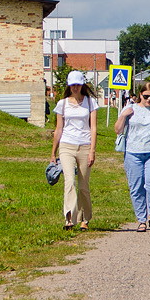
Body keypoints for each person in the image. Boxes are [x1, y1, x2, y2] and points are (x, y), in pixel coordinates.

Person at [116, 81, 150, 232]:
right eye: (146, 96)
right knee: (137, 187)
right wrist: (123, 116)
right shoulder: (130, 108)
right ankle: (141, 220)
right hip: (133, 152)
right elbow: (117, 129)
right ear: (140, 95)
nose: (149, 99)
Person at [49, 71, 98, 231]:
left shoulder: (90, 103)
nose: (76, 88)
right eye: (73, 85)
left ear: (82, 85)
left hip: (84, 146)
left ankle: (85, 218)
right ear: (69, 86)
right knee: (69, 181)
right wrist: (53, 153)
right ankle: (69, 218)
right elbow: (58, 129)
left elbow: (93, 128)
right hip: (66, 145)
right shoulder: (62, 104)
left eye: (78, 84)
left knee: (83, 185)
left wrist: (92, 150)